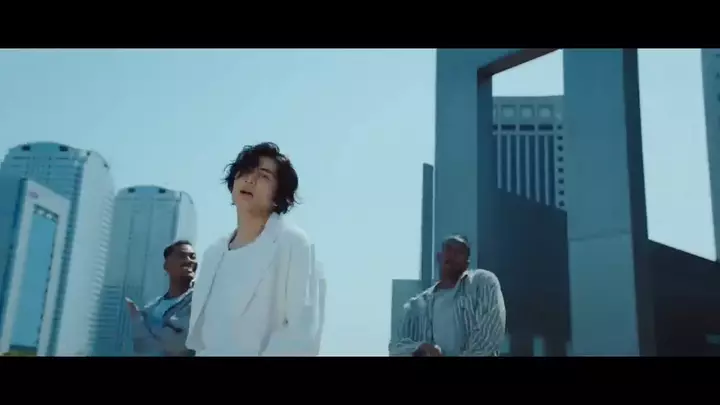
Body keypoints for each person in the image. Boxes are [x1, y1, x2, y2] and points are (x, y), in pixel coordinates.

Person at [186, 142, 325, 356]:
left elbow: (301, 331)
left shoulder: (293, 243)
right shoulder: (214, 253)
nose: (250, 180)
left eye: (264, 176)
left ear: (279, 196)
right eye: (245, 171)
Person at [389, 235, 506, 356]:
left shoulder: (481, 283)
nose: (453, 255)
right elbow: (396, 348)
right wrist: (421, 348)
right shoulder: (417, 306)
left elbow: (489, 335)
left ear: (467, 263)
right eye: (449, 249)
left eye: (459, 252)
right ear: (439, 257)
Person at [126, 240, 197, 356]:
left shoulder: (199, 301)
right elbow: (139, 347)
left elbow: (179, 344)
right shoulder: (150, 308)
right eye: (182, 256)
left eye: (192, 257)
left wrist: (139, 323)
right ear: (166, 265)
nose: (189, 261)